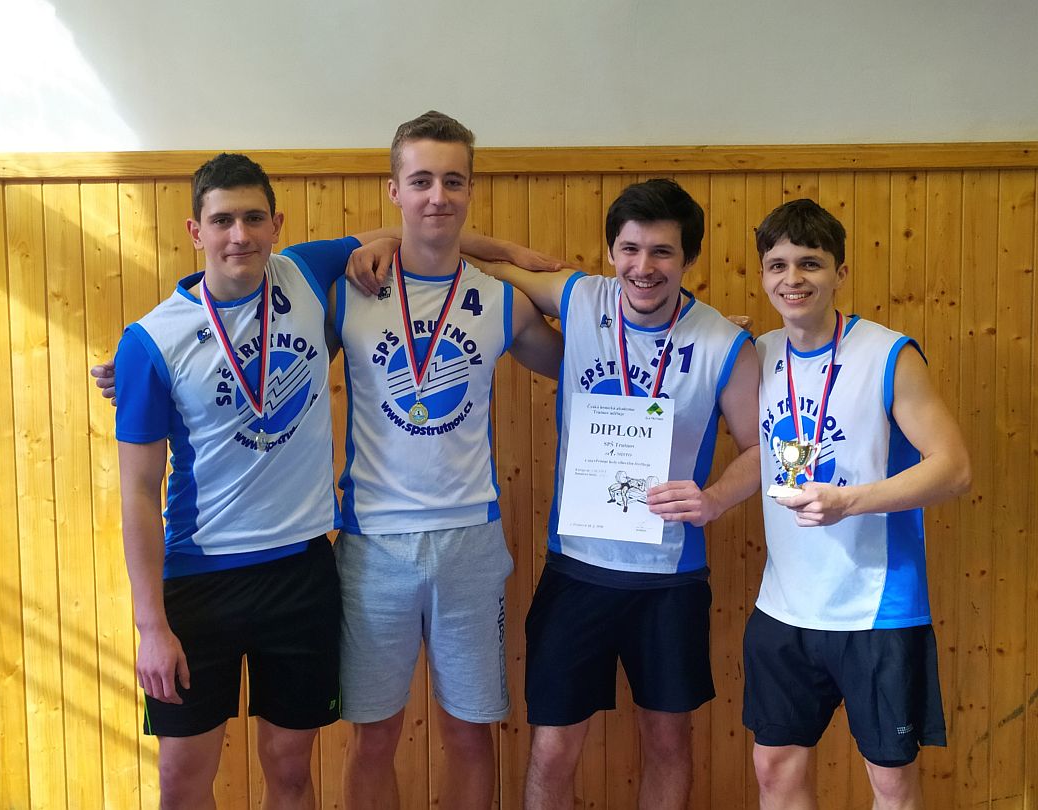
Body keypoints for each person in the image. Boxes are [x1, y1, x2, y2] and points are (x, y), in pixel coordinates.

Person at [113, 152, 391, 810]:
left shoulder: (305, 273)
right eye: (222, 221)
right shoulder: (151, 341)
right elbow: (137, 495)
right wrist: (151, 626)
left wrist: (514, 255)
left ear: (276, 224)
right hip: (198, 580)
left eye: (253, 218)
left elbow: (418, 235)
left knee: (290, 772)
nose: (239, 234)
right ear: (196, 231)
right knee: (182, 779)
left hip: (300, 572)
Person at [474, 179, 762, 810]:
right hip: (576, 570)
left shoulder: (723, 342)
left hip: (669, 580)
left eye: (662, 252)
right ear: (611, 252)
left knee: (667, 744)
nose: (643, 267)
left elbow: (762, 448)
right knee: (553, 748)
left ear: (688, 258)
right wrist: (508, 252)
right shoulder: (579, 298)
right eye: (630, 249)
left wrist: (714, 499)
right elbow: (469, 260)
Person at [328, 110, 563, 810]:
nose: (438, 195)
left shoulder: (500, 301)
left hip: (470, 541)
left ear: (469, 190)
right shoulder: (349, 292)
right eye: (422, 180)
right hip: (373, 544)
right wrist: (145, 370)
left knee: (469, 733)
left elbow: (584, 365)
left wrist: (680, 339)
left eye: (453, 181)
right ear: (394, 190)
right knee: (374, 737)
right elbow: (257, 335)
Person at [744, 199, 971, 810]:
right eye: (778, 265)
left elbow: (953, 468)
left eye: (810, 263)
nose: (793, 279)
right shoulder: (757, 354)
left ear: (840, 272)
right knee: (774, 770)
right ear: (763, 275)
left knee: (891, 783)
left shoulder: (889, 354)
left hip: (876, 609)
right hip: (783, 606)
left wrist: (850, 502)